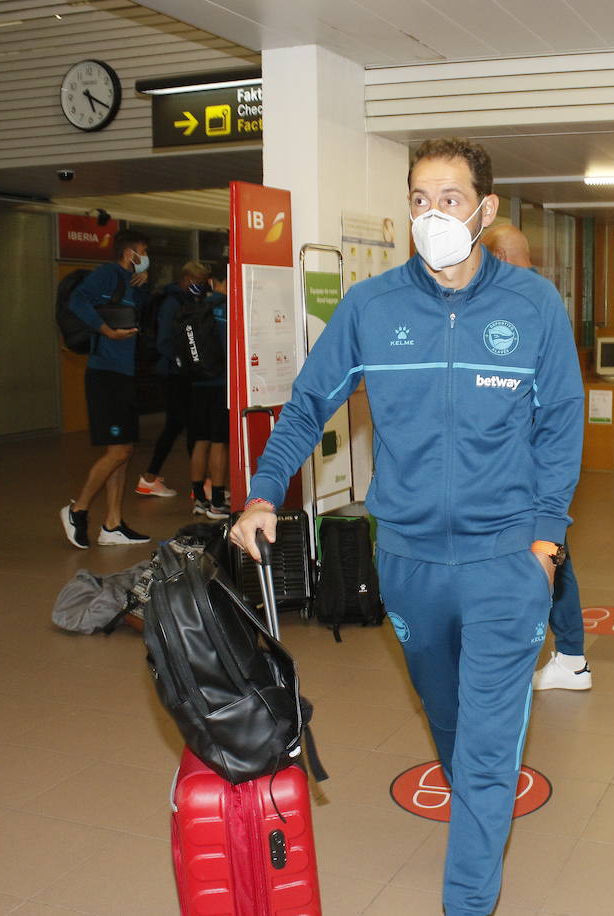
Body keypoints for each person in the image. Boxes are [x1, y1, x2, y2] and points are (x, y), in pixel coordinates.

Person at [231, 138, 584, 916]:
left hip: (505, 564)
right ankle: (477, 820)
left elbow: (562, 425)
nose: (433, 215)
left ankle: (468, 897)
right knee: (449, 720)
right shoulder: (371, 307)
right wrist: (262, 494)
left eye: (450, 199)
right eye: (419, 200)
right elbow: (305, 407)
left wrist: (545, 543)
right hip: (411, 563)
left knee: (489, 752)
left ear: (485, 211)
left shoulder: (533, 308)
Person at [482, 223, 591, 691]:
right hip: (528, 471)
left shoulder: (523, 305)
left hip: (525, 472)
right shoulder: (540, 301)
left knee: (548, 557)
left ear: (500, 257)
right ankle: (570, 657)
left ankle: (570, 657)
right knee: (552, 555)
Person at [60, 229, 152, 548]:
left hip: (123, 373)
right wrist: (105, 330)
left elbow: (136, 316)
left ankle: (112, 523)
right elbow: (77, 300)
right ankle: (77, 510)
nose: (145, 258)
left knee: (123, 453)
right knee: (119, 450)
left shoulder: (129, 282)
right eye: (143, 251)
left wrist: (142, 288)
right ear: (130, 253)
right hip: (106, 374)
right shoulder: (107, 273)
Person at [136, 261, 211, 499]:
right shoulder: (171, 303)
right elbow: (164, 342)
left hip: (182, 374)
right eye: (198, 282)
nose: (201, 286)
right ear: (187, 279)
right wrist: (186, 363)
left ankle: (159, 478)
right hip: (173, 375)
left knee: (182, 426)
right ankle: (199, 485)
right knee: (183, 425)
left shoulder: (188, 301)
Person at [188, 268, 230, 520]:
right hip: (219, 383)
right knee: (218, 443)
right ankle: (216, 501)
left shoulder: (196, 306)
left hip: (196, 383)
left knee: (200, 440)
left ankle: (199, 499)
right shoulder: (225, 308)